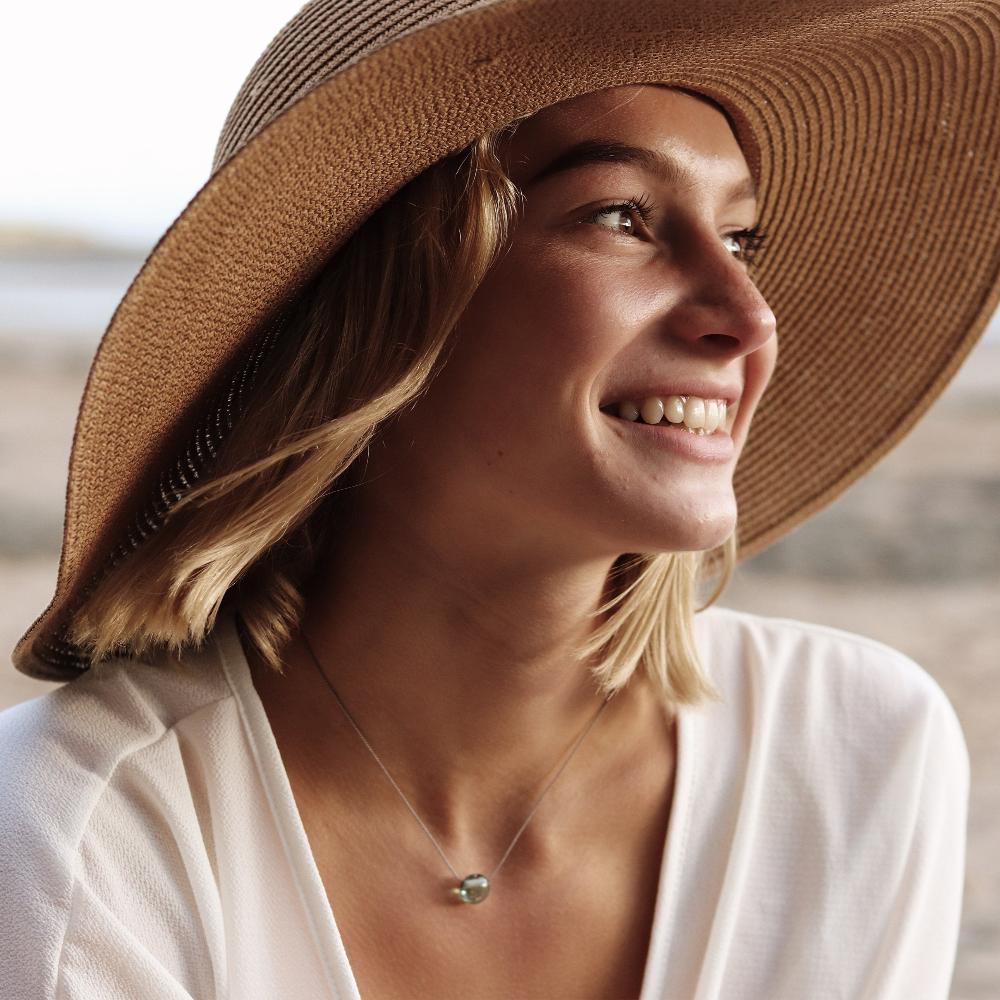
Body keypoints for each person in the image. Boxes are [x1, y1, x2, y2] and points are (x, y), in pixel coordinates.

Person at [1, 1, 993, 997]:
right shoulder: (95, 830)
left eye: (742, 240)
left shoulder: (854, 748)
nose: (749, 318)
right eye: (622, 216)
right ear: (380, 308)